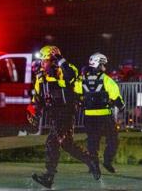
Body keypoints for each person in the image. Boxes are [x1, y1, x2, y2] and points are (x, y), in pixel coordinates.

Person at [31, 45, 100, 189]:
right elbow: (38, 98)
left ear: (53, 60)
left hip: (66, 113)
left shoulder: (67, 70)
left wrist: (61, 59)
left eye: (45, 61)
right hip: (55, 116)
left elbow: (72, 77)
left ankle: (49, 176)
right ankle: (91, 161)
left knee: (52, 142)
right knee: (66, 144)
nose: (42, 64)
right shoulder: (41, 77)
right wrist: (34, 111)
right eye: (42, 62)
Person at [74, 52, 125, 174]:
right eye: (103, 65)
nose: (104, 68)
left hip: (89, 118)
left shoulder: (82, 80)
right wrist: (122, 107)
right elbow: (118, 99)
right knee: (113, 140)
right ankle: (107, 161)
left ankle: (93, 166)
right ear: (98, 64)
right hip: (105, 117)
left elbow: (75, 92)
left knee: (92, 142)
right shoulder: (107, 80)